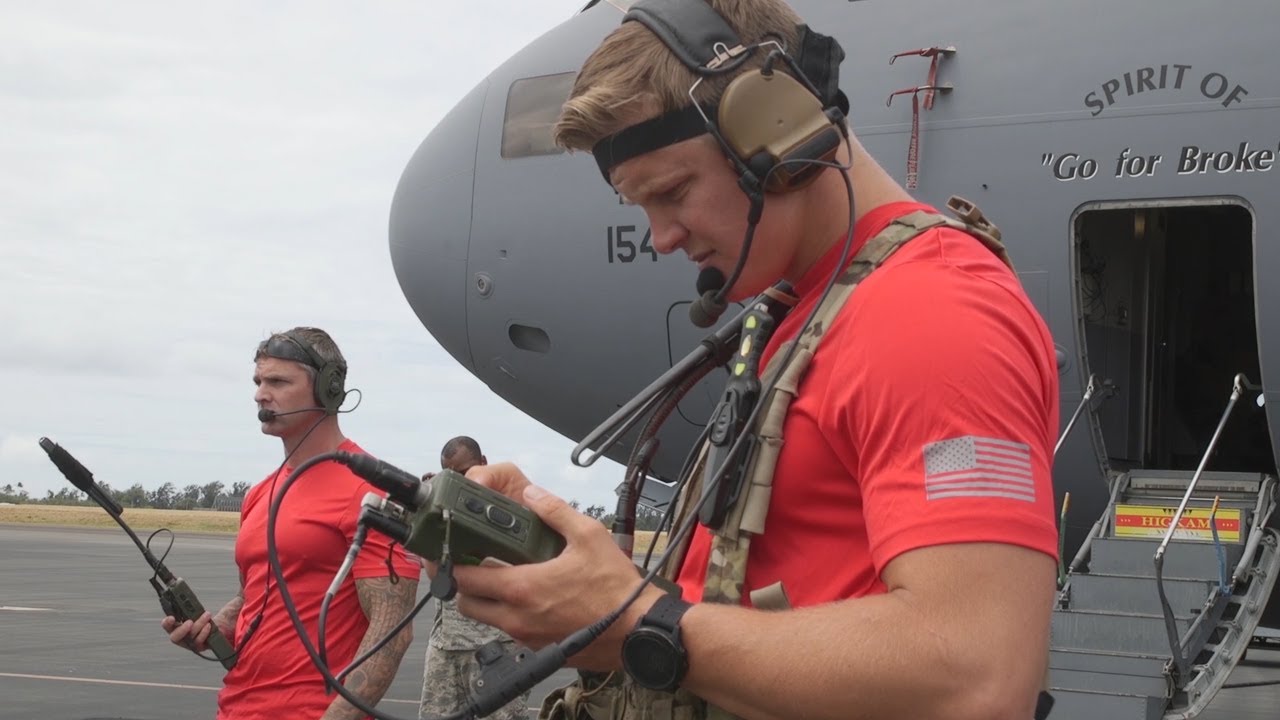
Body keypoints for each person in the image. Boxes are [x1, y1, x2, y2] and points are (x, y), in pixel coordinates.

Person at [443, 2, 1062, 720]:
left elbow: (977, 677)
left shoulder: (932, 314)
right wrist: (562, 554)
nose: (662, 238)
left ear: (776, 130)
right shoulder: (810, 311)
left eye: (672, 192)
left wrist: (637, 622)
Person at [162, 327, 421, 720]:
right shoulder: (259, 494)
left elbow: (391, 633)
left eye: (278, 382)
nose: (260, 394)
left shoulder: (370, 492)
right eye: (258, 381)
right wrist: (212, 631)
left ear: (329, 390)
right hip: (236, 709)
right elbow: (253, 597)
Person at [418, 436, 531, 720]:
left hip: (496, 647)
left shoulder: (505, 509)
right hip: (446, 644)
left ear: (483, 464)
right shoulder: (443, 507)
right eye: (450, 475)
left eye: (465, 472)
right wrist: (428, 504)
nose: (459, 481)